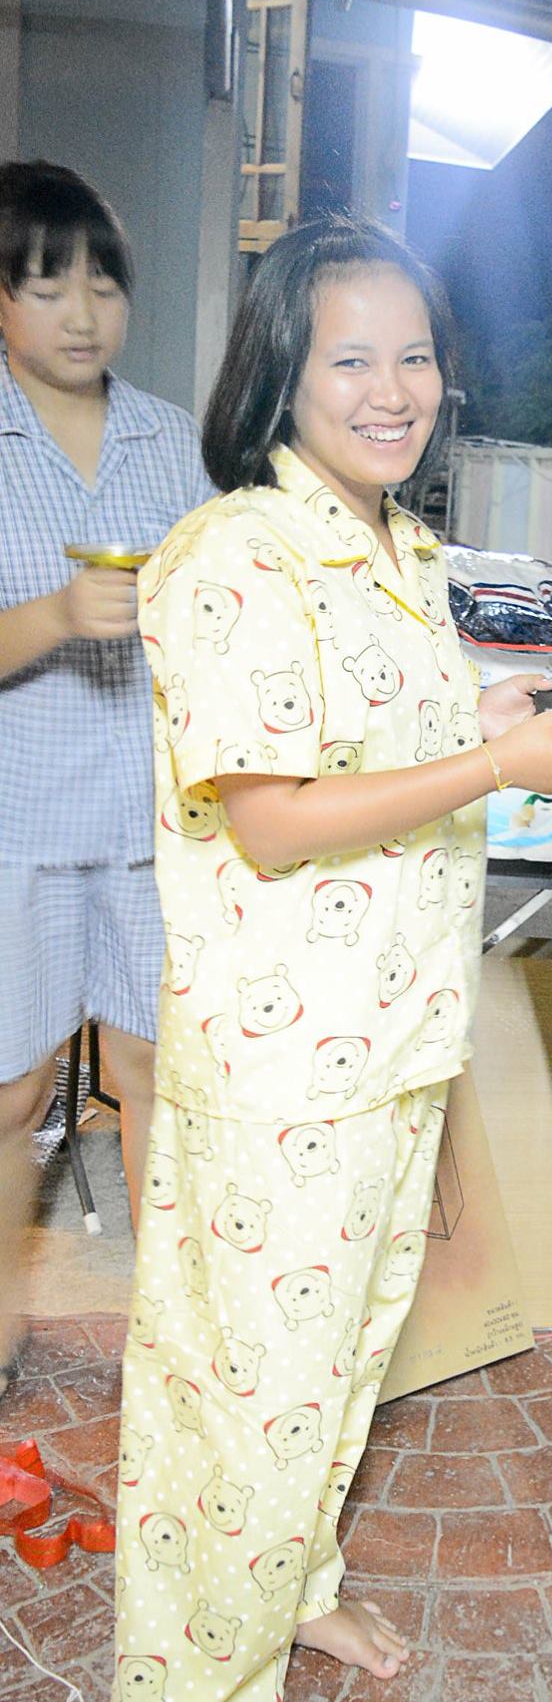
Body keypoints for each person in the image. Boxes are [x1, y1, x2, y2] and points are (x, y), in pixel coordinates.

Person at [110, 217, 552, 1702]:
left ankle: (291, 1585)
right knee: (247, 1381)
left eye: (416, 356)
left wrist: (485, 708)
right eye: (353, 358)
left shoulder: (398, 549)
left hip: (394, 1032)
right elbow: (270, 818)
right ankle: (192, 1696)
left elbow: (367, 740)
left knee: (336, 1361)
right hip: (282, 1062)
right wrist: (493, 765)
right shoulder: (236, 556)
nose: (394, 389)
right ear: (282, 373)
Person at [0, 160, 212, 1390]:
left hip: (149, 819)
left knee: (153, 1078)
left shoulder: (169, 438)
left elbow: (219, 609)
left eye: (103, 284)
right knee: (14, 1087)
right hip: (18, 821)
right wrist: (56, 614)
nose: (82, 313)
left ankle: (169, 1333)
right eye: (45, 286)